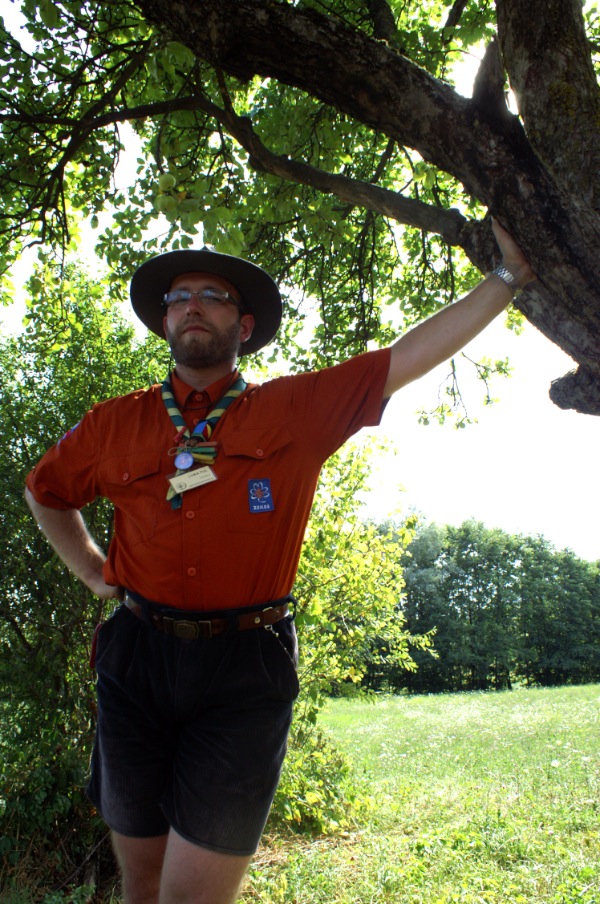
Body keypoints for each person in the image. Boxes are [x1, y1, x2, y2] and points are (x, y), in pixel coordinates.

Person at [25, 218, 534, 904]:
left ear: (244, 325)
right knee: (141, 882)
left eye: (213, 296)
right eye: (180, 296)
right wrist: (92, 570)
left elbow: (405, 357)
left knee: (191, 898)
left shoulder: (295, 410)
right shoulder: (112, 423)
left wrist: (507, 277)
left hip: (245, 669)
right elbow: (45, 490)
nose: (194, 305)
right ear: (164, 320)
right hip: (136, 660)